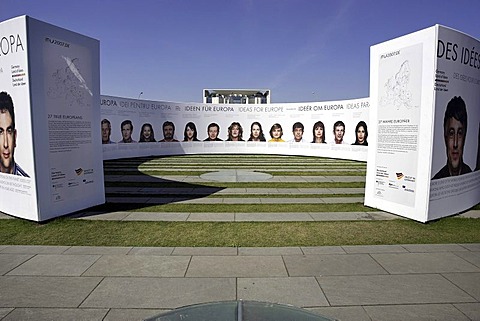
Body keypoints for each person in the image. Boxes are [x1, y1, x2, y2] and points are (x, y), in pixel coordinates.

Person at [433, 96, 472, 179]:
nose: (455, 143)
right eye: (451, 133)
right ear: (445, 137)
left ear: (464, 136)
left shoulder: (471, 177)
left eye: (460, 133)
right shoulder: (436, 181)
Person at [0, 91, 29, 177]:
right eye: (0, 132)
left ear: (15, 137)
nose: (6, 144)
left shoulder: (26, 182)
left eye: (9, 131)